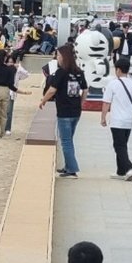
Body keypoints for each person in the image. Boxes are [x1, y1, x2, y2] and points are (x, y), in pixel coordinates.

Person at [39, 43, 87, 178]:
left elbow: (52, 90)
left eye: (59, 55)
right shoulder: (79, 72)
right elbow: (86, 89)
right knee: (69, 139)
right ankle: (68, 166)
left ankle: (72, 169)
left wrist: (43, 100)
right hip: (76, 111)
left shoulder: (61, 72)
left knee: (65, 140)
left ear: (64, 57)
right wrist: (81, 103)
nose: (57, 58)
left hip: (64, 110)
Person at [101, 57, 132, 180]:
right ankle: (120, 171)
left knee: (119, 146)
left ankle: (129, 169)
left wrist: (103, 117)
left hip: (117, 120)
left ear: (118, 70)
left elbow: (106, 102)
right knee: (122, 145)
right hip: (128, 120)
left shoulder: (113, 84)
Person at [0, 49, 20, 139]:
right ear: (5, 57)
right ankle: (2, 132)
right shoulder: (8, 69)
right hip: (5, 90)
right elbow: (10, 83)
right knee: (3, 113)